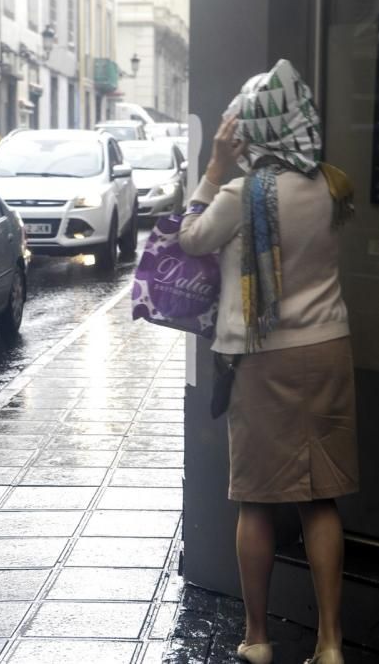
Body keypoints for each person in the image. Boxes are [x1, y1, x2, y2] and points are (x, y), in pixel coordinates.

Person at [179, 59, 358, 664]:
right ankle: (331, 644)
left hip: (261, 361)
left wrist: (213, 168)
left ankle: (258, 639)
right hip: (328, 352)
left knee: (256, 499)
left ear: (253, 127)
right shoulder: (332, 185)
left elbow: (191, 238)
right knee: (320, 497)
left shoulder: (240, 194)